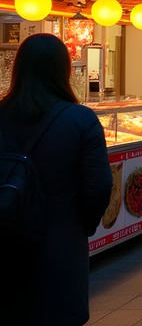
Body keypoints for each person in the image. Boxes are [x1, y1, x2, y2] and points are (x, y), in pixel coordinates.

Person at [0, 33, 112, 325]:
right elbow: (99, 185)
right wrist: (81, 225)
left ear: (18, 68)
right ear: (64, 70)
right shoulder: (80, 119)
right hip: (60, 240)